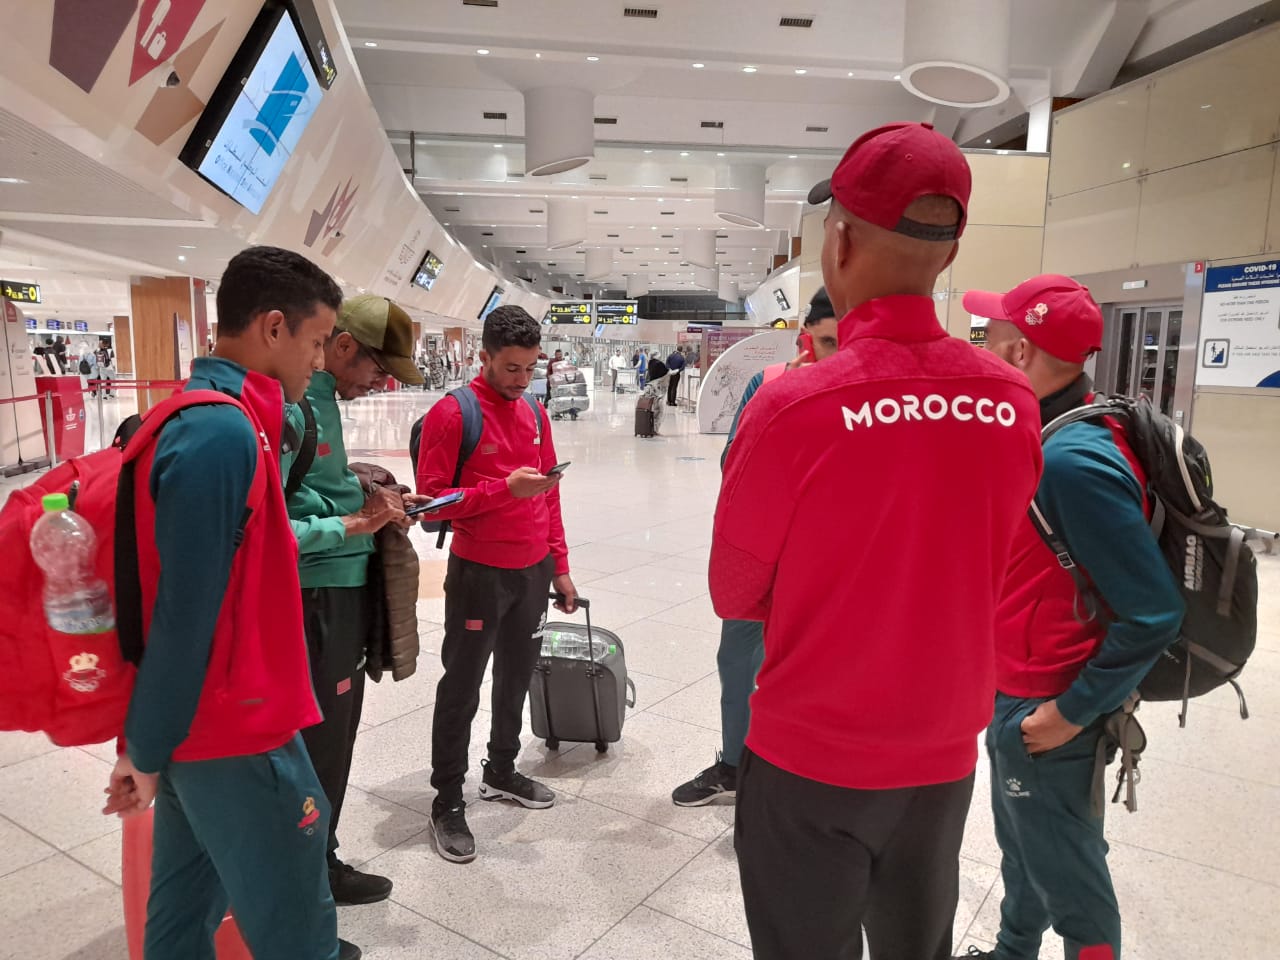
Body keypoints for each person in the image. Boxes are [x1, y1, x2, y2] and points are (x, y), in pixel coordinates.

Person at [710, 122, 1044, 960]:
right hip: (941, 759)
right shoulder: (1012, 402)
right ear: (950, 250)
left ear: (840, 242)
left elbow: (733, 591)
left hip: (809, 756)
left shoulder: (793, 406)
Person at [100, 246, 361, 960]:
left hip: (205, 725)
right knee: (300, 929)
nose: (320, 360)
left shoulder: (212, 419)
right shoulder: (219, 433)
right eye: (316, 341)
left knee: (182, 918)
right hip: (237, 726)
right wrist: (143, 748)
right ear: (274, 327)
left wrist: (153, 743)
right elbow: (186, 613)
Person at [958, 276, 1185, 960]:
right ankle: (1012, 949)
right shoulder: (1063, 427)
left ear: (1021, 351)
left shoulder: (1073, 460)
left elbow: (1154, 612)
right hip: (1021, 689)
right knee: (1027, 846)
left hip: (1050, 704)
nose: (984, 344)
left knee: (1073, 879)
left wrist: (1071, 713)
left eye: (992, 334)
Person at [415, 305, 577, 864]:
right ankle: (446, 798)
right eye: (511, 368)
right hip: (478, 574)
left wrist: (560, 565)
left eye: (530, 368)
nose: (522, 379)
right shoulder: (452, 413)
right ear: (483, 356)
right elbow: (431, 506)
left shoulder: (535, 411)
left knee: (515, 677)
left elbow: (550, 493)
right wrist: (503, 489)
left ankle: (501, 769)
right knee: (461, 686)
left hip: (533, 572)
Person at [281, 294, 424, 910]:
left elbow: (315, 488)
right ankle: (309, 871)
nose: (381, 382)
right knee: (322, 740)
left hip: (340, 590)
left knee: (336, 734)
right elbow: (271, 523)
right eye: (377, 368)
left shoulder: (320, 403)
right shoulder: (293, 406)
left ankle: (318, 857)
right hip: (319, 596)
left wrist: (370, 491)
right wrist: (357, 521)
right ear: (340, 345)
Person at [672, 287, 839, 807]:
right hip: (763, 557)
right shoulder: (767, 385)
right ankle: (733, 763)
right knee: (739, 661)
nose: (837, 354)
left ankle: (803, 773)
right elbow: (733, 464)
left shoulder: (865, 398)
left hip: (830, 565)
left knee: (818, 669)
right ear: (806, 336)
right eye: (828, 341)